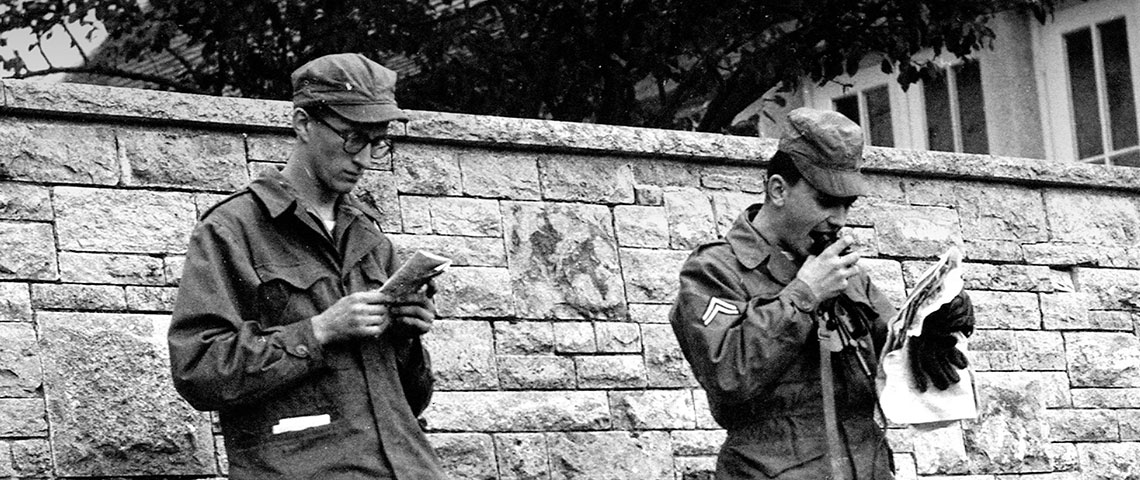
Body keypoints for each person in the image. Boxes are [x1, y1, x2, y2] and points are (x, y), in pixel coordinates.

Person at [168, 53, 446, 479]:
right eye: (353, 138)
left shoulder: (369, 236)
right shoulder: (231, 230)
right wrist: (319, 331)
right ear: (303, 124)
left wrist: (408, 338)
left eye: (377, 142)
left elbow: (411, 400)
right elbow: (200, 370)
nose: (366, 159)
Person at [669, 107, 974, 479]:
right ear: (778, 189)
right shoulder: (716, 270)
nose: (839, 220)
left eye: (847, 205)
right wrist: (804, 295)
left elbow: (894, 365)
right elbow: (728, 376)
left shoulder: (843, 271)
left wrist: (934, 327)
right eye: (826, 202)